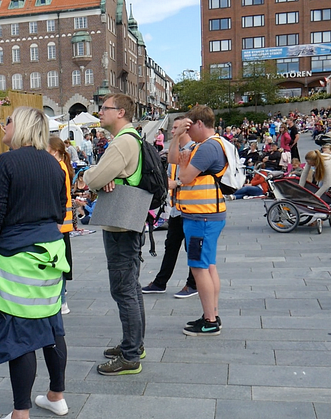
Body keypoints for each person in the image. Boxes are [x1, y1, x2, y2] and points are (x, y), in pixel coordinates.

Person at [0, 106, 70, 419]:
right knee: (52, 325)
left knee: (21, 337)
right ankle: (56, 395)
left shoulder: (6, 162)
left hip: (18, 255)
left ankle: (20, 413)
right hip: (51, 254)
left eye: (9, 120)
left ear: (23, 126)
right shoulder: (54, 165)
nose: (4, 125)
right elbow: (59, 212)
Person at [83, 93, 146, 375]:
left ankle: (131, 355)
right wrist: (102, 177)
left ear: (120, 112)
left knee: (123, 289)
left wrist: (90, 175)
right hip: (128, 219)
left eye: (104, 108)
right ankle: (134, 343)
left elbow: (93, 179)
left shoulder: (122, 142)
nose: (100, 112)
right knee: (131, 286)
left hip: (120, 221)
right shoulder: (134, 137)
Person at [172, 105, 228, 337]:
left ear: (198, 124)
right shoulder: (207, 145)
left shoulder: (207, 148)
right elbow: (174, 158)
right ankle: (211, 314)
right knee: (208, 266)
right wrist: (176, 137)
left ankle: (210, 320)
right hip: (206, 214)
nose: (187, 133)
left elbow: (183, 177)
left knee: (199, 267)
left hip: (202, 215)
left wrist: (183, 168)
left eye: (188, 127)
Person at [142, 116, 197, 298]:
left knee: (192, 248)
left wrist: (178, 183)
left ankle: (193, 283)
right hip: (177, 209)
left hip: (192, 209)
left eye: (176, 128)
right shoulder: (175, 150)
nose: (172, 131)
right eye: (172, 128)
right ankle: (160, 282)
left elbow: (194, 177)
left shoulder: (195, 149)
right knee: (171, 245)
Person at [48, 136, 75, 315]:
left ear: (55, 152)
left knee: (58, 263)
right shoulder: (63, 166)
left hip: (59, 223)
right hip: (63, 223)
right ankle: (61, 297)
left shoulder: (58, 168)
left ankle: (62, 301)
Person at [299, 150, 331, 230]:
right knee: (320, 191)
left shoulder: (326, 164)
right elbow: (304, 174)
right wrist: (300, 188)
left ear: (315, 161)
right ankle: (320, 218)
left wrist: (316, 196)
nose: (308, 164)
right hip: (327, 171)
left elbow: (327, 184)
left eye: (309, 162)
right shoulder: (312, 159)